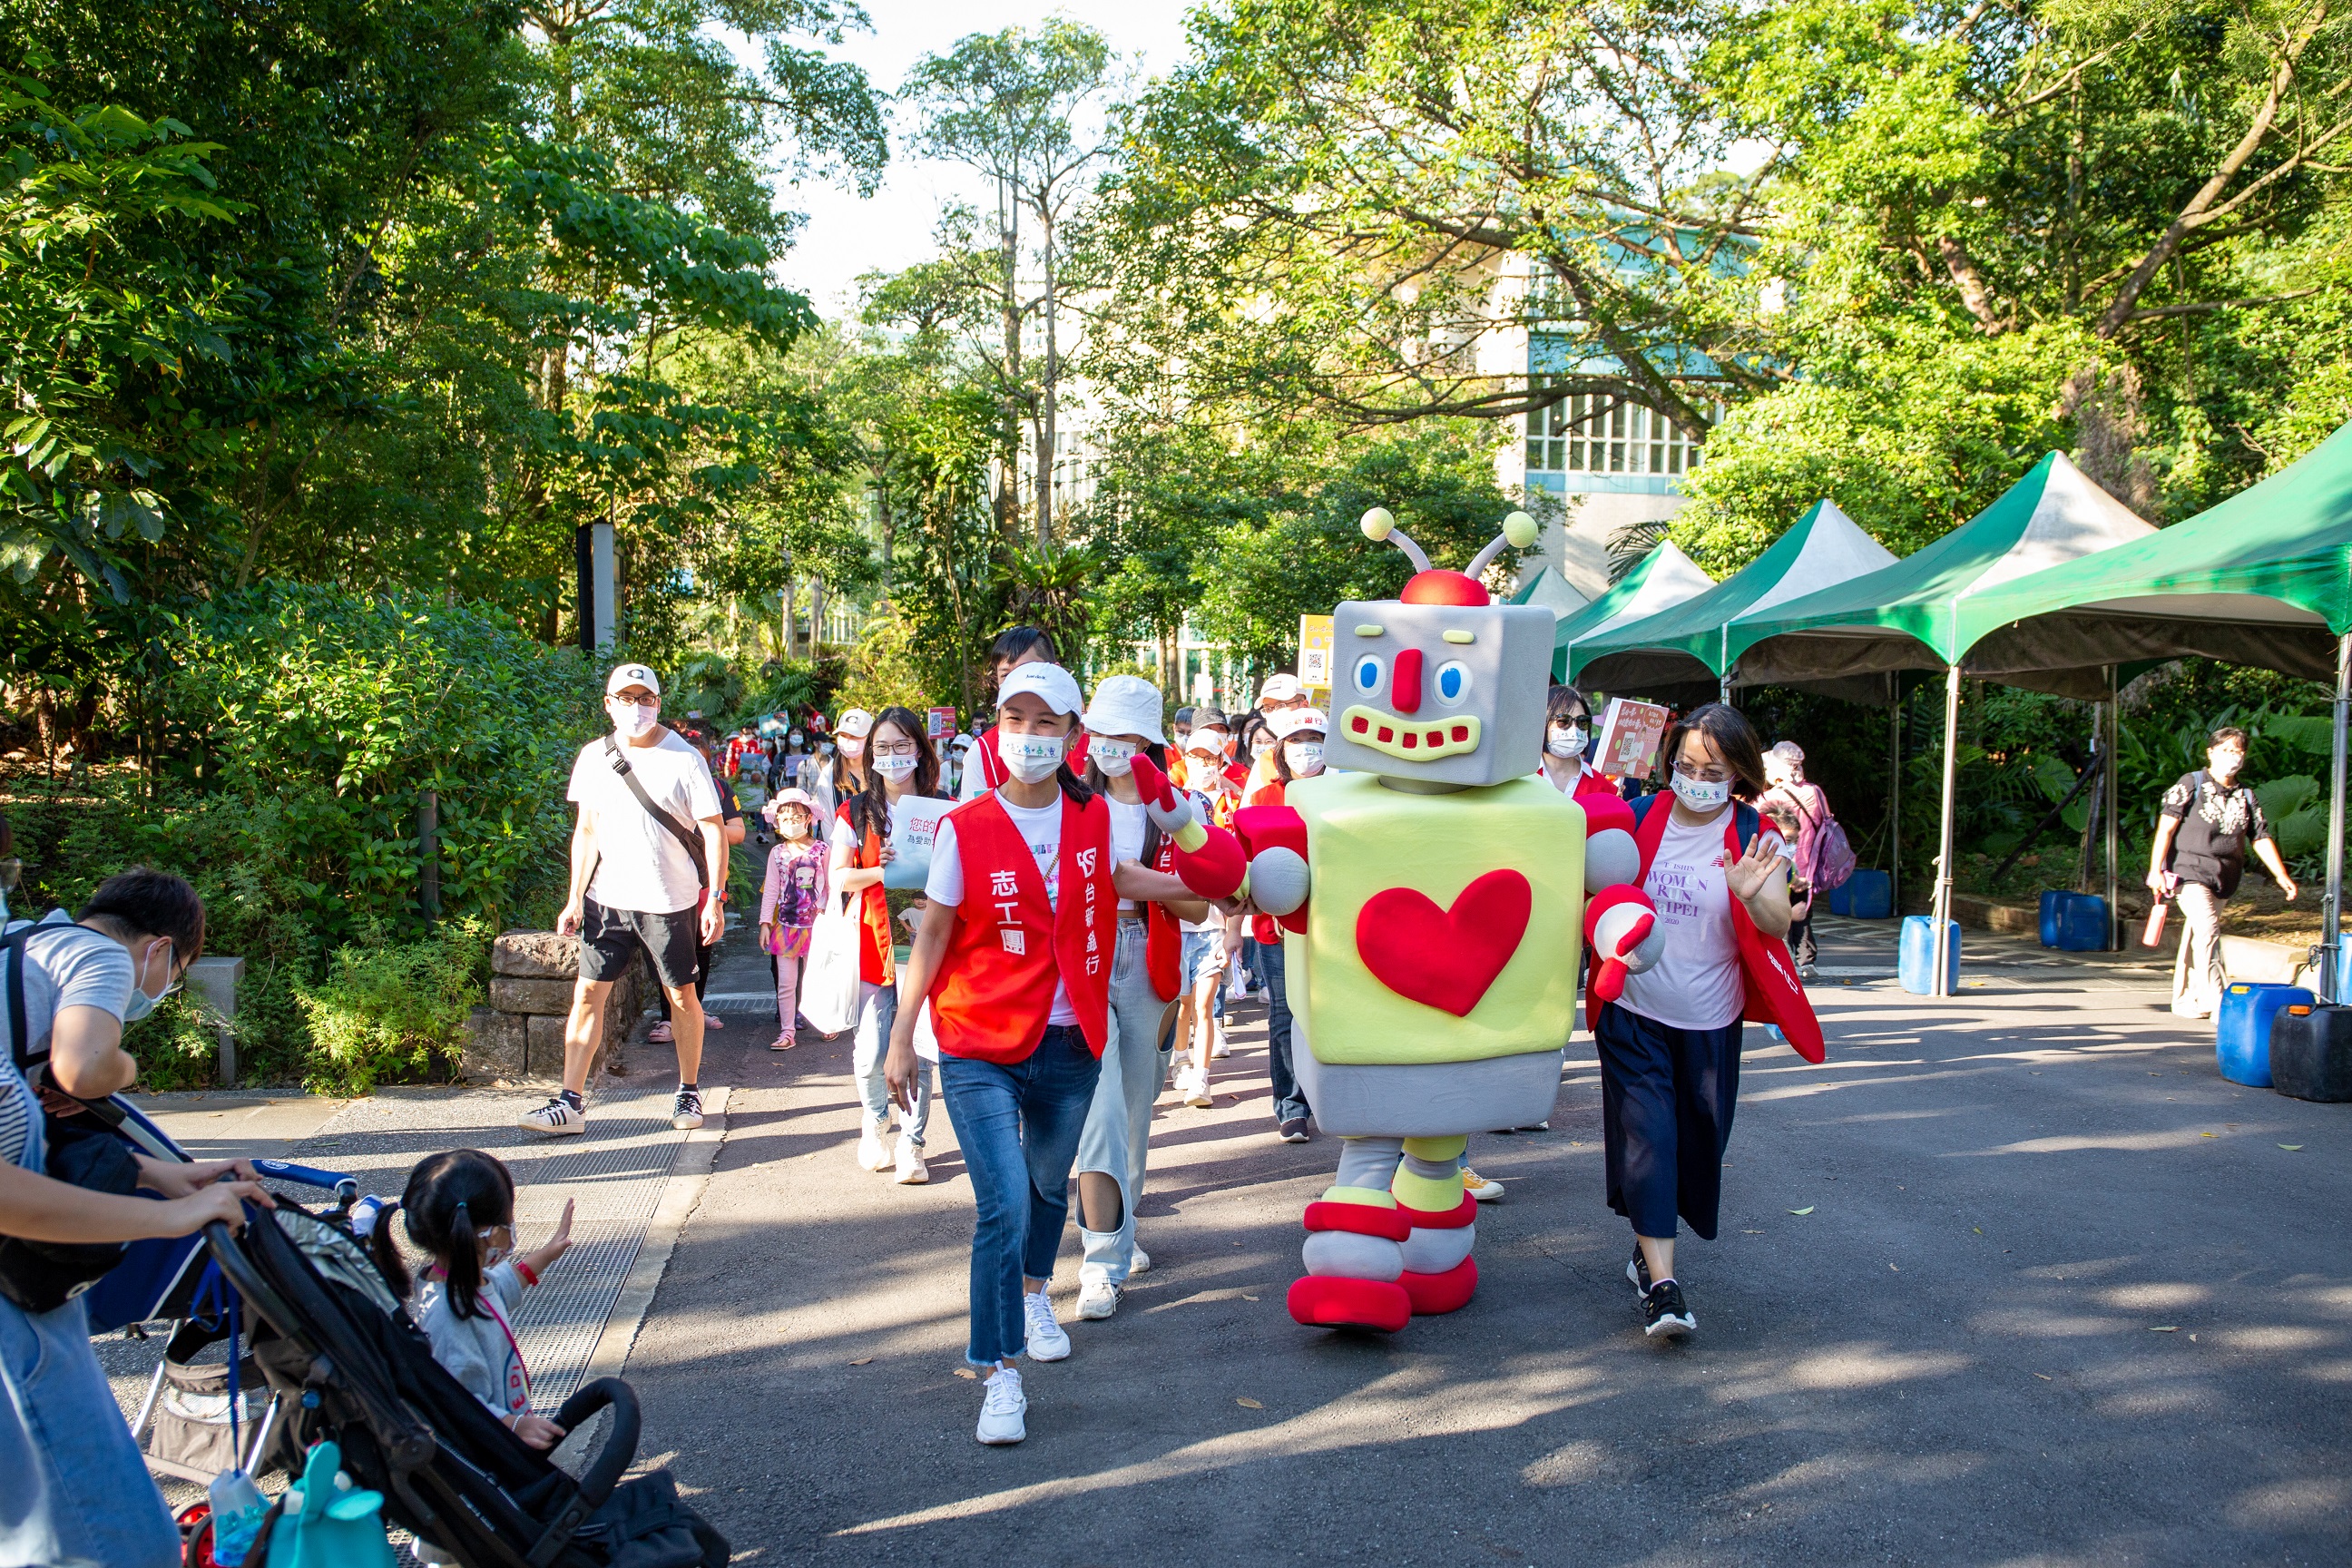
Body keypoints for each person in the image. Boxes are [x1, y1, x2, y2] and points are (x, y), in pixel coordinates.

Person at [884, 662, 1197, 1446]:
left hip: (1069, 1039)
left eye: (1045, 722)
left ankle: (1033, 1290)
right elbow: (932, 932)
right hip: (978, 1043)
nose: (1028, 736)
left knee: (1049, 1188)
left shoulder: (1092, 817)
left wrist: (1211, 885)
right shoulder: (966, 826)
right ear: (998, 727)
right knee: (1003, 1204)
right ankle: (998, 1374)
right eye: (1014, 720)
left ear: (1071, 734)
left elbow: (1123, 878)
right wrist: (900, 1035)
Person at [0, 867, 275, 1568]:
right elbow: (84, 1070)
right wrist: (173, 1215)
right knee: (117, 1541)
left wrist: (163, 1175)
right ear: (158, 950)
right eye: (175, 972)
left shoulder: (17, 949)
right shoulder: (92, 952)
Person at [1601, 703, 1794, 1340]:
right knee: (1650, 1136)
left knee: (1697, 1145)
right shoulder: (1636, 819)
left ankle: (1646, 1246)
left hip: (1711, 1022)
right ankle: (1663, 1288)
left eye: (1712, 768)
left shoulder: (1756, 835)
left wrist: (1749, 891)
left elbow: (1777, 922)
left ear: (1738, 771)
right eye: (1685, 764)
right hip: (1633, 1012)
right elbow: (1594, 892)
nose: (1696, 777)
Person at [528, 663, 725, 1137]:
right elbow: (588, 831)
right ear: (608, 704)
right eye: (626, 698)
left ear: (658, 702)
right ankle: (569, 1102)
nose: (636, 707)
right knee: (587, 994)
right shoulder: (595, 756)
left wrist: (714, 899)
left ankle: (688, 1089)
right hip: (607, 899)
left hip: (668, 900)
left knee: (682, 996)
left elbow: (714, 830)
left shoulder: (684, 758)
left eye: (646, 698)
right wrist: (575, 897)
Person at [1070, 676, 1210, 1319]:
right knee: (1098, 1109)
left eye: (1123, 736)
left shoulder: (1180, 809)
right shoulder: (1068, 802)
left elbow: (1201, 900)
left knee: (1135, 1106)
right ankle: (1101, 1261)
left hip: (1153, 958)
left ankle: (1121, 1232)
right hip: (1083, 961)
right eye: (1100, 734)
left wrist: (1141, 882)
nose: (1109, 747)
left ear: (1147, 742)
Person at [368, 1151, 576, 1459]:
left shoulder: (458, 1281)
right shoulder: (447, 1315)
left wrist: (548, 1252)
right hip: (491, 1448)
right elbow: (456, 1402)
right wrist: (512, 1424)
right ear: (488, 1234)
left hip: (503, 1431)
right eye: (509, 1218)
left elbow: (502, 1285)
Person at [832, 706, 951, 1183]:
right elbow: (838, 876)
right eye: (882, 747)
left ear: (920, 749)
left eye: (902, 745)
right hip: (873, 945)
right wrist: (884, 870)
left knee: (921, 1047)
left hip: (928, 945)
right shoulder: (857, 810)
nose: (892, 755)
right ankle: (875, 1118)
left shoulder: (945, 807)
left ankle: (913, 1142)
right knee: (870, 1051)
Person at [2150, 726, 2298, 1019]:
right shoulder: (2190, 784)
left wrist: (2281, 875)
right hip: (2189, 873)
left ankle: (2186, 1000)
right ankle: (2220, 1004)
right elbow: (2165, 829)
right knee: (2208, 931)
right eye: (2227, 750)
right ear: (2211, 752)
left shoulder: (2246, 795)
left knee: (2199, 934)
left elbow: (2260, 837)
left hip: (2224, 877)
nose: (2233, 757)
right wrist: (2155, 870)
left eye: (2238, 751)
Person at [1248, 707, 1326, 1142]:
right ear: (1280, 747)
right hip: (1276, 926)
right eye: (1295, 739)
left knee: (1331, 1010)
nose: (1305, 747)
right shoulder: (1263, 799)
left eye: (1314, 738)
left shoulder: (1342, 793)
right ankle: (1291, 1106)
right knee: (1285, 1012)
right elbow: (1247, 859)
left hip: (1333, 924)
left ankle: (1332, 1097)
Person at [652, 727, 745, 1045]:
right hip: (664, 878)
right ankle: (668, 1017)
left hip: (707, 878)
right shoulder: (655, 781)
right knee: (667, 946)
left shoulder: (719, 788)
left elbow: (737, 831)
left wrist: (706, 827)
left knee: (700, 945)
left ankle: (695, 1009)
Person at [1170, 719, 1240, 1108]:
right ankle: (1180, 1061)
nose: (1202, 764)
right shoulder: (1170, 808)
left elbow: (1233, 879)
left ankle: (1201, 1078)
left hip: (1212, 928)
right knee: (1182, 1004)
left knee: (1204, 1005)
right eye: (1195, 758)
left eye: (1209, 758)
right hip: (1176, 927)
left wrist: (1234, 930)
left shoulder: (1227, 811)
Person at [758, 789, 828, 1051]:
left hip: (817, 926)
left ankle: (824, 1023)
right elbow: (772, 890)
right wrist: (765, 923)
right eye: (785, 819)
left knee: (816, 978)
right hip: (785, 926)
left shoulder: (822, 850)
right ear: (777, 821)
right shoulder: (776, 853)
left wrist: (833, 919)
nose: (791, 823)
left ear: (809, 818)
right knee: (786, 985)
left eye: (796, 817)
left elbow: (831, 888)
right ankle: (787, 1031)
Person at [958, 626, 1063, 799]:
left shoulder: (1085, 743)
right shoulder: (983, 753)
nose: (1017, 682)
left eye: (1027, 671)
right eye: (1006, 675)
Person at [1759, 740, 1832, 976]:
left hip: (1777, 866)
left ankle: (1775, 962)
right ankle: (1806, 961)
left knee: (1773, 911)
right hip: (1806, 865)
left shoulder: (1769, 797)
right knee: (1802, 913)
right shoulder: (1815, 792)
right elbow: (1824, 822)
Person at [1539, 683, 1614, 799]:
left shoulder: (1603, 786)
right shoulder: (1521, 778)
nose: (1574, 729)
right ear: (1543, 723)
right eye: (1563, 721)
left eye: (1582, 721)